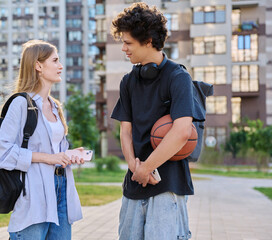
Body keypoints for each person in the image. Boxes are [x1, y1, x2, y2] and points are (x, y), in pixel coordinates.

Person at [110, 2, 201, 240]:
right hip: (135, 184)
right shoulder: (128, 82)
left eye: (128, 42)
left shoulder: (178, 77)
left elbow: (181, 132)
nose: (124, 49)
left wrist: (147, 168)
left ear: (148, 40)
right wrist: (135, 168)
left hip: (168, 185)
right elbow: (125, 131)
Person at [0, 40, 84, 240]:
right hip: (33, 194)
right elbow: (2, 153)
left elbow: (53, 149)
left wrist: (69, 154)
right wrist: (48, 158)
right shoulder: (20, 104)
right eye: (55, 60)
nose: (61, 66)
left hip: (61, 187)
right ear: (38, 65)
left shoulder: (54, 106)